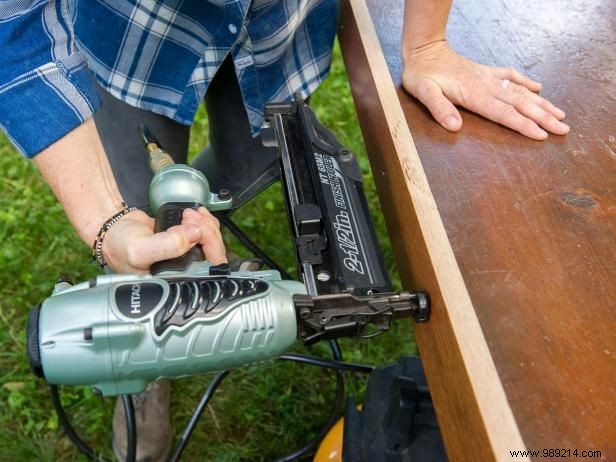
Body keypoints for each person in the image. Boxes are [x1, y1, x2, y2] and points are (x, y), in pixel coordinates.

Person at [0, 0, 570, 460]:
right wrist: (109, 220)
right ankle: (142, 385)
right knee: (135, 210)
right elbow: (13, 23)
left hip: (276, 31)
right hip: (134, 36)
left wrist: (425, 46)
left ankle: (189, 225)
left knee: (255, 163)